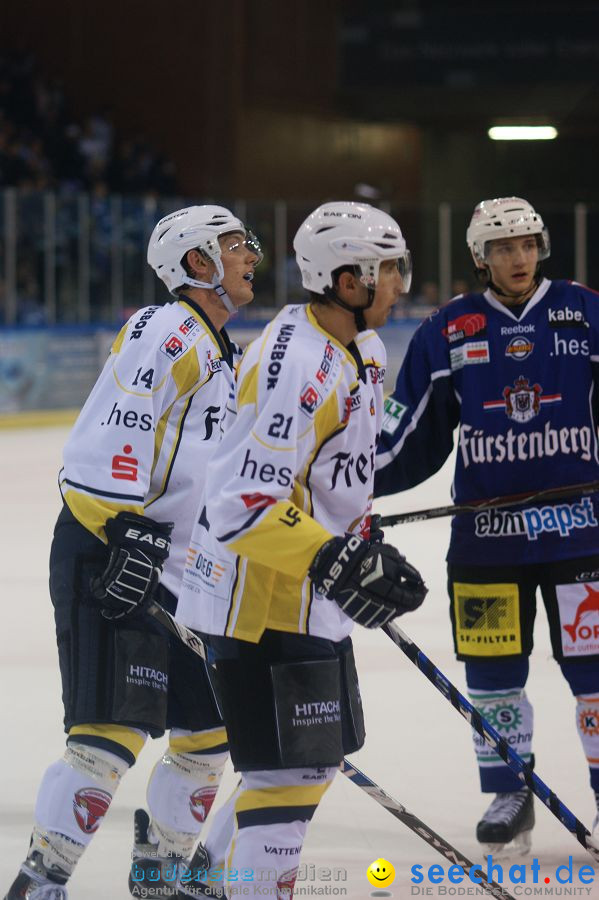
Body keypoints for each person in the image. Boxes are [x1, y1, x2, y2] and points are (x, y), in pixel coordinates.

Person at [4, 204, 263, 900]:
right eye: (234, 245)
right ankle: (41, 883)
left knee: (208, 732)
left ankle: (162, 874)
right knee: (106, 736)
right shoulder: (167, 326)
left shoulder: (219, 350)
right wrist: (124, 531)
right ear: (197, 263)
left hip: (175, 574)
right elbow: (108, 432)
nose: (250, 255)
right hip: (109, 551)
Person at [172, 201, 427, 899]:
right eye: (387, 270)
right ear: (346, 281)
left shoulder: (362, 346)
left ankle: (205, 879)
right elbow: (239, 503)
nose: (400, 282)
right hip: (257, 600)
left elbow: (328, 472)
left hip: (303, 592)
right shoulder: (298, 366)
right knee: (291, 775)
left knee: (297, 766)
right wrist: (334, 557)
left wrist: (353, 535)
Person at [375, 196, 599, 857]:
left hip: (578, 535)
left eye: (527, 242)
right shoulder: (449, 329)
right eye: (502, 248)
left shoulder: (584, 313)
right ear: (479, 257)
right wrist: (346, 488)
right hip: (486, 543)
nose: (518, 257)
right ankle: (509, 793)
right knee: (493, 677)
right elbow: (407, 433)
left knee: (593, 676)